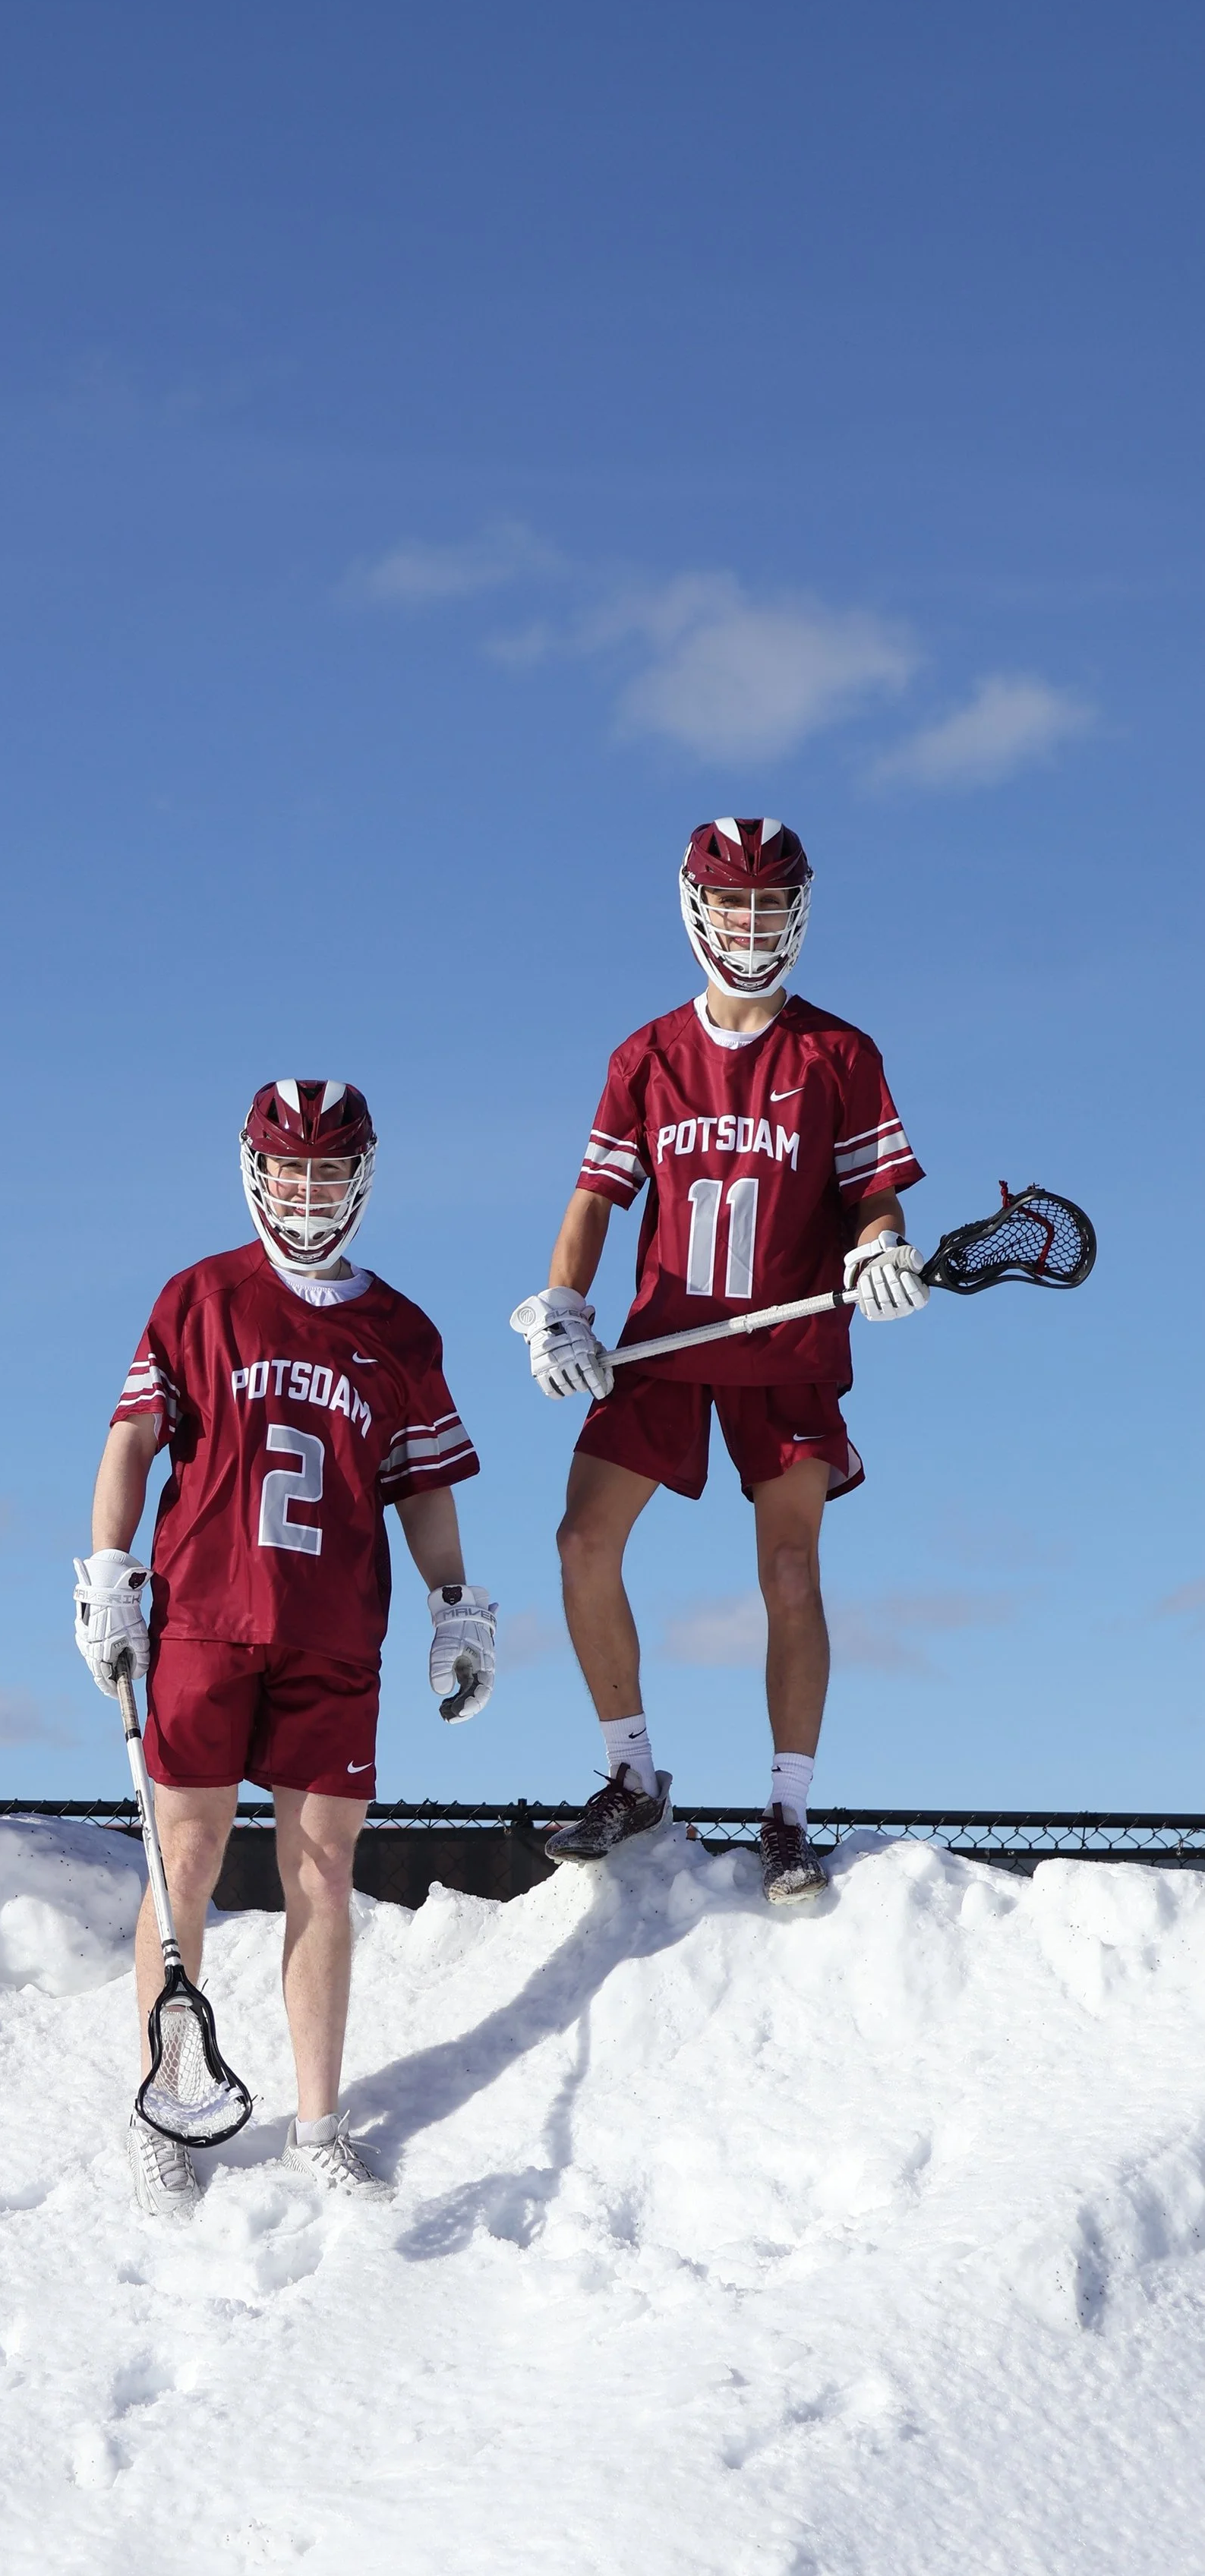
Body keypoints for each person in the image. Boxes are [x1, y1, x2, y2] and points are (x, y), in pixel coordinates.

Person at [75, 1079, 495, 2218]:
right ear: (257, 1172)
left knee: (323, 1871)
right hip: (205, 1618)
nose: (308, 1196)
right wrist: (108, 1567)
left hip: (334, 1632)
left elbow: (422, 1486)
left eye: (327, 1174)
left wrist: (454, 1601)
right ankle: (163, 2107)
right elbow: (133, 1440)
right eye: (291, 1173)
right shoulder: (199, 1297)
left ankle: (317, 2124)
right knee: (186, 1854)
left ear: (361, 1178)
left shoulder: (400, 1331)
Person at [512, 818, 926, 1905]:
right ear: (698, 910)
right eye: (734, 906)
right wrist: (564, 1304)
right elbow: (595, 1199)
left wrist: (881, 1250)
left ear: (798, 912)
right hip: (667, 1337)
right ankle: (632, 1776)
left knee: (789, 1570)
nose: (751, 927)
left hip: (786, 1339)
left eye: (769, 906)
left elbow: (873, 1195)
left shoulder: (839, 1052)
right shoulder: (646, 1055)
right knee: (582, 1540)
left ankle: (787, 1813)